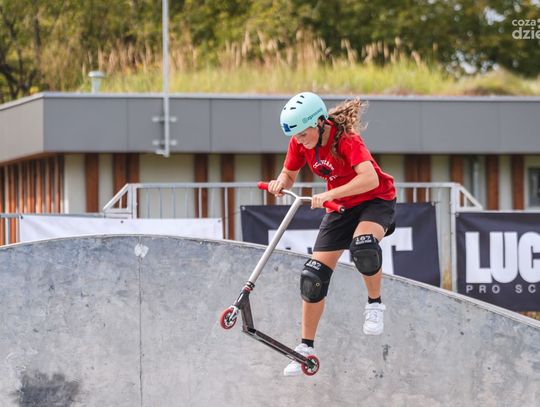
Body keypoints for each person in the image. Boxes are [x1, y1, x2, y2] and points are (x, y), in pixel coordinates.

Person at [268, 92, 396, 376]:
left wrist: (329, 194)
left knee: (363, 246)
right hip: (341, 207)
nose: (300, 140)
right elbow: (289, 174)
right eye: (296, 136)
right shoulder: (299, 142)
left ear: (319, 122)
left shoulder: (346, 139)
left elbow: (370, 178)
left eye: (304, 134)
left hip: (375, 201)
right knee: (312, 276)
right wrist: (280, 182)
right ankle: (305, 349)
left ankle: (375, 304)